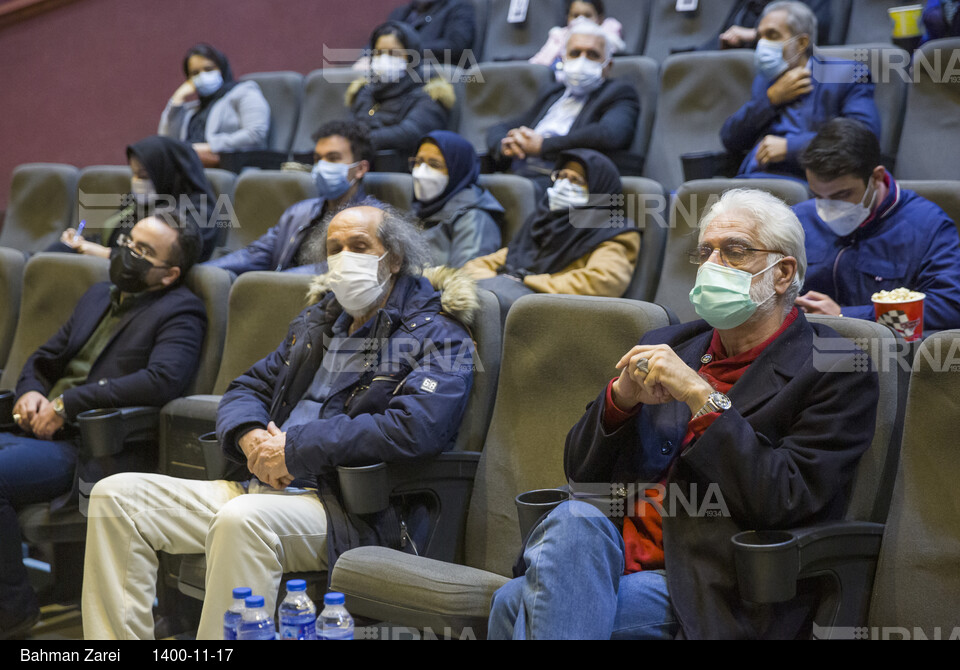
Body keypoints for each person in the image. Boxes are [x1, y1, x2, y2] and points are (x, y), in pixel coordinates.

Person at [487, 188, 879, 639]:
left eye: (735, 251)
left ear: (782, 273)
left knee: (514, 603)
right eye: (706, 252)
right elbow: (581, 472)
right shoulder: (672, 342)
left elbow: (784, 498)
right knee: (577, 521)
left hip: (716, 583)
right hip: (608, 553)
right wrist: (621, 400)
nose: (714, 264)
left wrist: (700, 395)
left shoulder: (835, 367)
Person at [81, 204, 477, 641]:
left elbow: (414, 428)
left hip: (346, 505)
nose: (345, 257)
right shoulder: (317, 321)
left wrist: (295, 448)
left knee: (242, 519)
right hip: (262, 481)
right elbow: (245, 388)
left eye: (360, 246)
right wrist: (250, 437)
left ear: (395, 258)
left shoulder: (440, 333)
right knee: (116, 496)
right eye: (335, 248)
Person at [0, 212, 206, 640]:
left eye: (144, 252)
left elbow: (161, 380)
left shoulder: (181, 310)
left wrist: (67, 402)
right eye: (129, 242)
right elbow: (44, 357)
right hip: (34, 428)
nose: (128, 254)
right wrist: (31, 391)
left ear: (168, 274)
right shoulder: (98, 295)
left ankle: (13, 609)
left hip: (88, 446)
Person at [793, 118, 960, 331]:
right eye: (818, 196)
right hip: (804, 348)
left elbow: (949, 306)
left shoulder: (928, 225)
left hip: (883, 353)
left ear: (876, 177)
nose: (829, 208)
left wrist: (845, 316)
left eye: (842, 194)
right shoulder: (799, 218)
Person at [462, 149, 639, 315]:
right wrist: (505, 279)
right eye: (561, 176)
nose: (564, 184)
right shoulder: (544, 221)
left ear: (599, 189)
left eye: (576, 180)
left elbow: (601, 283)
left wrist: (526, 282)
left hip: (560, 316)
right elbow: (480, 265)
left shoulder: (615, 231)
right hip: (512, 303)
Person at [720, 1, 881, 182]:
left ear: (802, 42)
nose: (763, 44)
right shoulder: (764, 81)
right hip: (757, 178)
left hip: (816, 183)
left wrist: (790, 148)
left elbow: (864, 139)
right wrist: (769, 100)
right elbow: (730, 139)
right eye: (760, 37)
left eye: (772, 35)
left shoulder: (847, 75)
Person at [205, 121, 376, 276]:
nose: (322, 166)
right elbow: (256, 254)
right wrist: (203, 271)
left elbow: (338, 268)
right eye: (318, 159)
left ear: (360, 168)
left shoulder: (373, 221)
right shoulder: (299, 212)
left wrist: (280, 282)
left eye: (332, 158)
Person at [487, 19, 640, 182]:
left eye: (592, 54)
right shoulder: (554, 92)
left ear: (608, 66)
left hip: (562, 179)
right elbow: (501, 127)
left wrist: (543, 146)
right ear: (563, 59)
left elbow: (609, 134)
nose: (582, 60)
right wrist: (507, 144)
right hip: (520, 173)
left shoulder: (619, 92)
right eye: (575, 53)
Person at [58, 135, 222, 262]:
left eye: (143, 175)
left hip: (146, 286)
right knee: (59, 250)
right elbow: (111, 238)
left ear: (166, 174)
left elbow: (161, 262)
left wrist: (105, 254)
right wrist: (82, 241)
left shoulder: (198, 213)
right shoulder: (139, 200)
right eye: (134, 174)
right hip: (108, 270)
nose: (136, 182)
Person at [346, 21, 453, 167]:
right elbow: (348, 128)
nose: (384, 59)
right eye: (378, 53)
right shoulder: (365, 91)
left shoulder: (430, 93)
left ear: (410, 57)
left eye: (393, 53)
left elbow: (410, 133)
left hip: (403, 167)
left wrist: (360, 139)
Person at [158, 43, 271, 168]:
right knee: (148, 154)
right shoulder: (192, 110)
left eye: (209, 69)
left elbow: (255, 134)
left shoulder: (244, 92)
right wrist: (177, 99)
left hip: (227, 163)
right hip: (190, 162)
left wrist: (209, 146)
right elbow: (166, 141)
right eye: (195, 73)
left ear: (221, 68)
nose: (202, 76)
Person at [410, 130, 504, 268]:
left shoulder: (475, 218)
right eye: (418, 162)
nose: (421, 172)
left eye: (434, 164)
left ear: (457, 169)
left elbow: (467, 281)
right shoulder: (422, 207)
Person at [529, 1, 625, 71]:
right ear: (567, 18)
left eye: (587, 15)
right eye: (575, 16)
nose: (581, 20)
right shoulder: (559, 35)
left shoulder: (607, 31)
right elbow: (539, 62)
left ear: (600, 18)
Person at [712, 0, 833, 50]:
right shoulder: (747, 3)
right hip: (741, 71)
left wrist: (755, 35)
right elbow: (723, 34)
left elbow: (815, 29)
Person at [385, 0, 477, 65]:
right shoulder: (401, 12)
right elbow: (381, 38)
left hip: (431, 66)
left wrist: (408, 51)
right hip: (392, 64)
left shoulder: (458, 7)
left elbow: (456, 45)